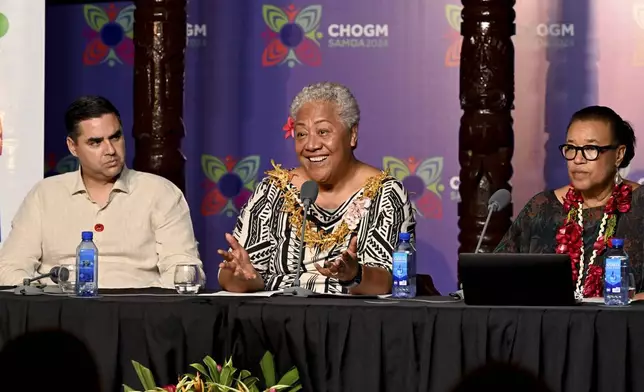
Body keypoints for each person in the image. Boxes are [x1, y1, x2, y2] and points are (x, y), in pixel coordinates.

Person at [217, 82, 415, 295]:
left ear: (353, 134)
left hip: (354, 322)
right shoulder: (273, 191)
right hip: (278, 323)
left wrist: (354, 274)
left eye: (323, 131)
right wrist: (240, 276)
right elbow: (240, 278)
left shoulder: (384, 193)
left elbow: (389, 281)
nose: (310, 145)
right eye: (301, 134)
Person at [0, 96, 204, 288]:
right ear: (73, 147)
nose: (110, 150)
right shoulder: (44, 195)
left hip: (139, 317)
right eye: (95, 142)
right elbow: (10, 268)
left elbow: (184, 270)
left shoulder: (161, 193)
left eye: (115, 137)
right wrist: (45, 297)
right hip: (60, 314)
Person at [495, 105, 644, 298]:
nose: (578, 159)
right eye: (571, 148)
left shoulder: (640, 205)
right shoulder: (542, 208)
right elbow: (497, 277)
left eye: (590, 149)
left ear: (618, 154)